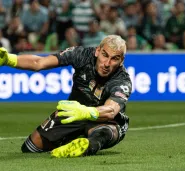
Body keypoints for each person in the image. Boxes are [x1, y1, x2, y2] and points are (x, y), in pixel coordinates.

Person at [0, 35, 132, 158]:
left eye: (115, 58)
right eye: (105, 55)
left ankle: (87, 146)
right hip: (73, 114)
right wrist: (9, 60)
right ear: (98, 51)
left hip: (104, 121)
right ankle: (72, 140)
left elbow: (111, 110)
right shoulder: (81, 55)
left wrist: (86, 112)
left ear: (121, 61)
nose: (107, 63)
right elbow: (39, 62)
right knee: (30, 148)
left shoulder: (122, 81)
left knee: (103, 133)